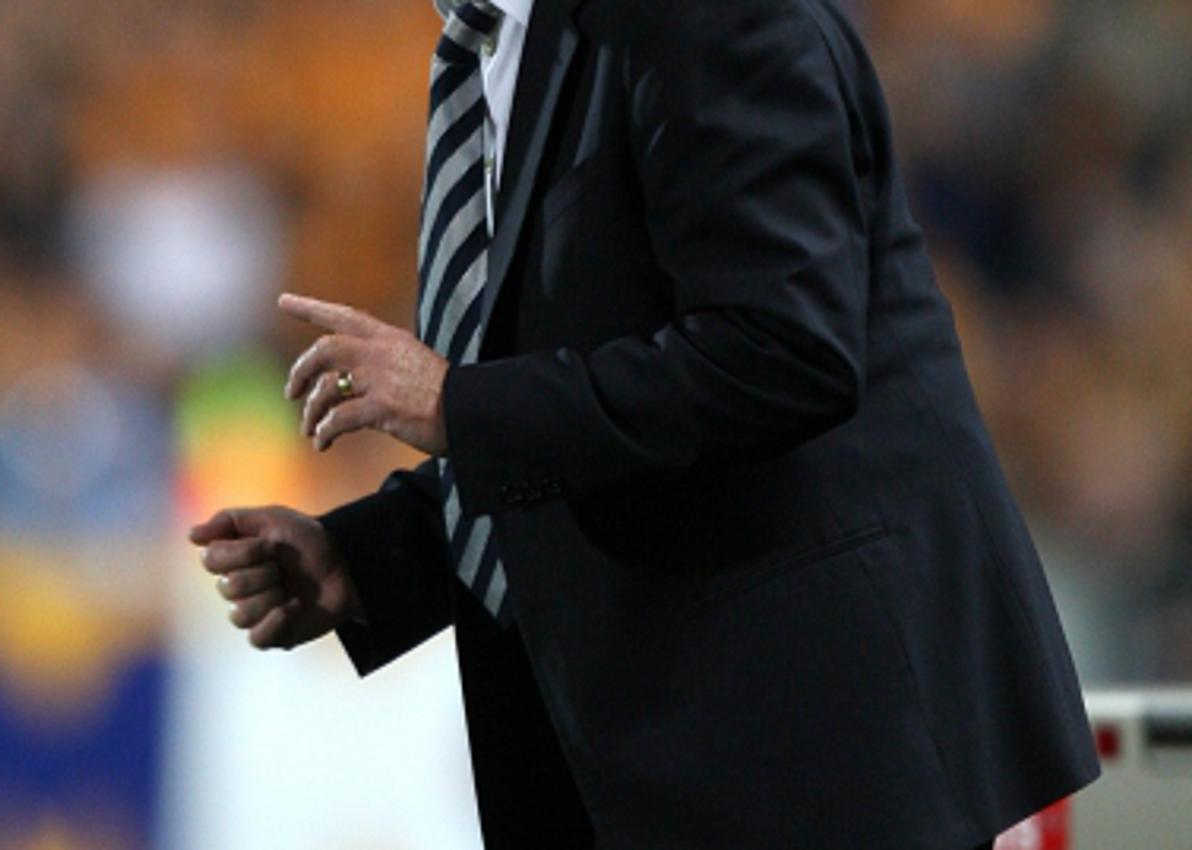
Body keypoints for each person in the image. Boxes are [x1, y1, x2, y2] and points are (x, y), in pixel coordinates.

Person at [187, 0, 1101, 846]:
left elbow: (784, 349)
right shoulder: (497, 49)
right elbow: (597, 387)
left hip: (821, 758)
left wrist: (455, 403)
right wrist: (377, 558)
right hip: (673, 765)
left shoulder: (705, 9)